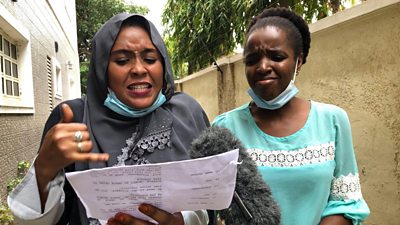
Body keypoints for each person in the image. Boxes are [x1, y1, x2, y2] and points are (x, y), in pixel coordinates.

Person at [7, 14, 210, 225]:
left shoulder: (187, 113)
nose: (139, 69)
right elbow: (32, 222)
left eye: (150, 59)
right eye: (122, 60)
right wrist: (43, 170)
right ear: (102, 68)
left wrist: (184, 221)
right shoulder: (72, 119)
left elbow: (214, 198)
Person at [212, 7, 370, 225]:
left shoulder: (332, 121)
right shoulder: (224, 128)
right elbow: (212, 207)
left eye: (277, 57)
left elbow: (346, 204)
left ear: (299, 61)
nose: (263, 67)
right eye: (252, 60)